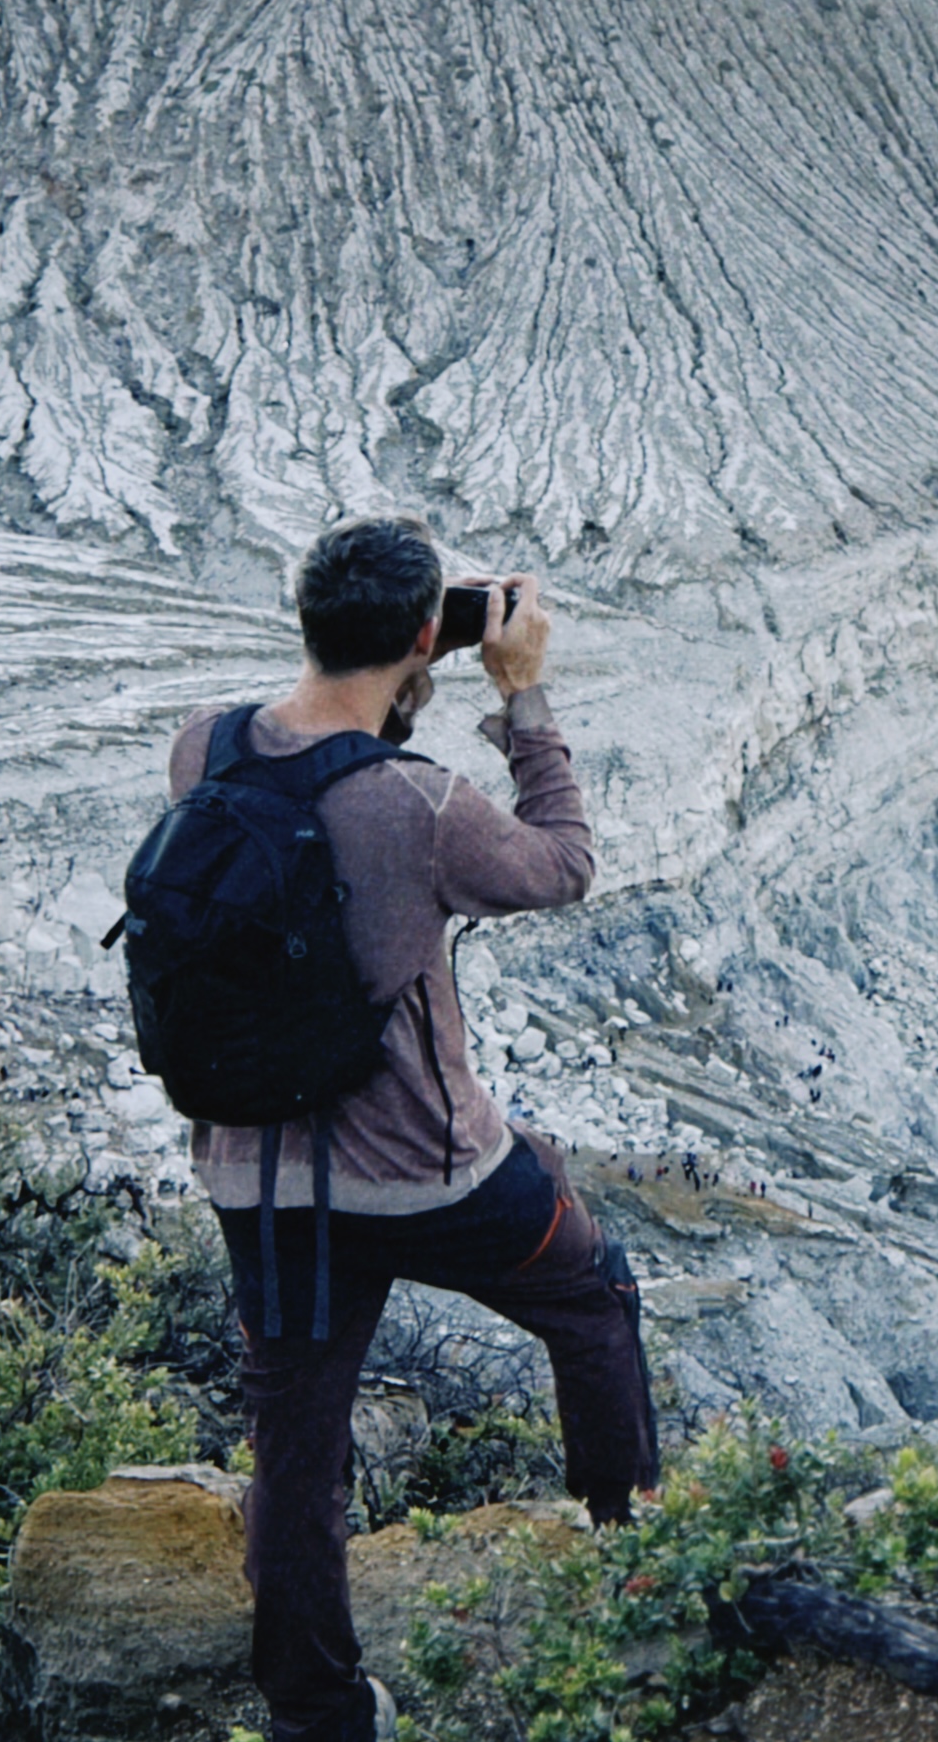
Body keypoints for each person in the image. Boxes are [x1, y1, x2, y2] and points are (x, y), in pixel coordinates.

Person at [171, 515, 657, 1742]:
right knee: (592, 1297)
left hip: (257, 1175)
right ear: (419, 643)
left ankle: (315, 1714)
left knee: (297, 1443)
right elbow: (562, 865)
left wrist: (397, 674)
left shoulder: (199, 752)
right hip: (428, 1176)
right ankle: (639, 1571)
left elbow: (311, 772)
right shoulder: (420, 802)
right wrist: (523, 700)